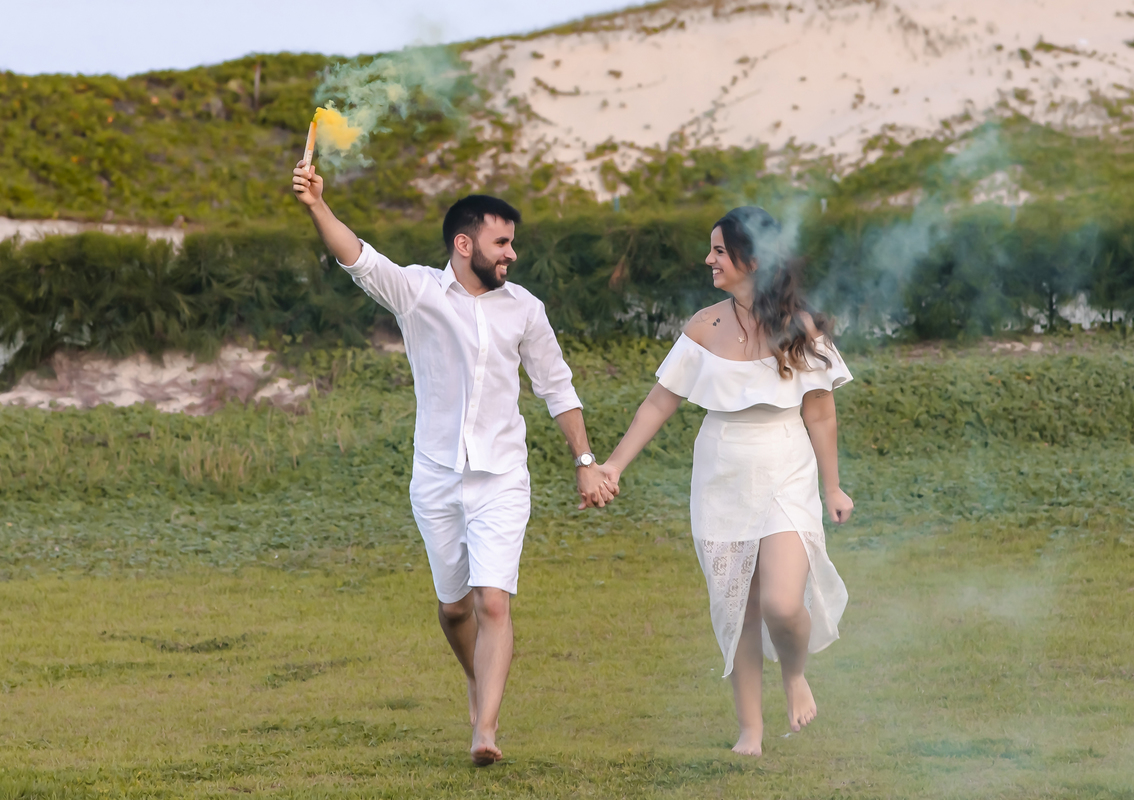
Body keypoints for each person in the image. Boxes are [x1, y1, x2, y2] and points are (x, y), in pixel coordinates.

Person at [291, 161, 614, 766]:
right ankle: (474, 676)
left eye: (512, 243)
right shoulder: (416, 292)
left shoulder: (525, 309)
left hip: (503, 477)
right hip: (436, 476)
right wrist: (316, 206)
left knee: (494, 603)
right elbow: (357, 257)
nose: (511, 254)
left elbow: (557, 387)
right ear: (465, 245)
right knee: (455, 608)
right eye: (502, 242)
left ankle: (484, 730)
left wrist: (585, 459)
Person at [596, 206, 853, 756]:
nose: (708, 260)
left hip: (785, 467)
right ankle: (750, 730)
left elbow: (820, 413)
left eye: (719, 251)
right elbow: (659, 402)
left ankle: (794, 674)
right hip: (722, 471)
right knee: (740, 607)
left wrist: (832, 487)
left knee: (782, 604)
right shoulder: (704, 327)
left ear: (752, 260)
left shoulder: (800, 327)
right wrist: (613, 465)